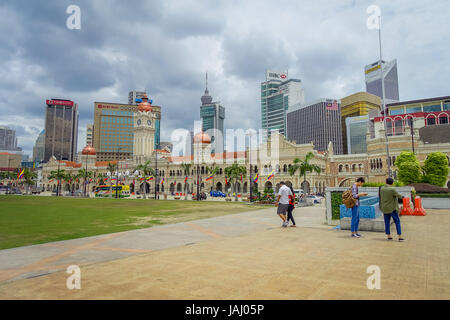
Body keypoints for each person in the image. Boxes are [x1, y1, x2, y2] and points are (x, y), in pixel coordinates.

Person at [380, 177, 405, 241]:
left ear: (386, 182)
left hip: (385, 208)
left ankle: (389, 236)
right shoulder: (392, 189)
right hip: (392, 208)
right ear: (392, 183)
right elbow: (399, 196)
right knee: (397, 222)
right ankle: (399, 236)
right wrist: (403, 196)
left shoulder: (382, 189)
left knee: (387, 222)